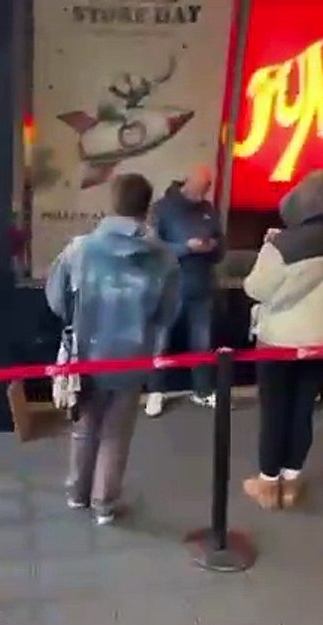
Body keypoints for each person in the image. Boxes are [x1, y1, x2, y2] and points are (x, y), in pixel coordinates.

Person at [46, 173, 181, 524]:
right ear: (146, 208)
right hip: (133, 357)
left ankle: (77, 493)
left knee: (85, 425)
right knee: (116, 433)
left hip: (88, 353)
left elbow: (57, 299)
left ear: (113, 203)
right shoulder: (164, 258)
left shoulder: (80, 249)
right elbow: (168, 312)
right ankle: (104, 503)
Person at [242, 170, 323, 510]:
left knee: (275, 411)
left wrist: (269, 247)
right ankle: (292, 481)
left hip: (279, 343)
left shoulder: (283, 246)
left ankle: (268, 484)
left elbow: (255, 288)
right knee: (303, 409)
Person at [144, 165, 223, 417]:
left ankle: (202, 390)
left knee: (202, 342)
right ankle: (156, 391)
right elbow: (152, 249)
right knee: (161, 341)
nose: (202, 194)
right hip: (169, 287)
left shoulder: (209, 210)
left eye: (206, 189)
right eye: (200, 188)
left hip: (201, 286)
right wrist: (186, 248)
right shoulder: (161, 209)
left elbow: (221, 248)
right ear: (187, 183)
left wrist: (211, 247)